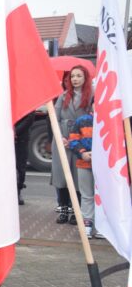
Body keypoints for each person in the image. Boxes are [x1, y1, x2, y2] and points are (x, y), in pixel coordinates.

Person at [51, 66, 91, 225]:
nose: (75, 79)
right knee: (61, 176)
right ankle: (63, 209)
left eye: (79, 76)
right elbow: (54, 116)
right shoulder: (63, 96)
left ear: (85, 78)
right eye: (72, 76)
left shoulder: (90, 95)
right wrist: (60, 136)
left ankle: (77, 211)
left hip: (81, 139)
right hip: (62, 138)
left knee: (78, 176)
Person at [68, 110, 105, 239]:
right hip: (84, 163)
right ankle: (87, 224)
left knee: (103, 196)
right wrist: (82, 153)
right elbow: (72, 139)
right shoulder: (82, 120)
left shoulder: (112, 119)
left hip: (105, 166)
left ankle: (102, 225)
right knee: (87, 195)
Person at [14, 112, 35, 205]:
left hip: (21, 137)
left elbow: (29, 117)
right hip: (4, 135)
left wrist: (15, 131)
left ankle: (18, 191)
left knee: (20, 166)